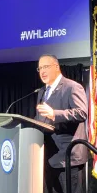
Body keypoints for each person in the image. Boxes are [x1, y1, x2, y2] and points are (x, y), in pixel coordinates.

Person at [35, 54, 88, 193]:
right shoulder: (42, 92)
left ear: (57, 67)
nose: (42, 71)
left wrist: (55, 114)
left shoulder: (72, 87)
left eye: (46, 66)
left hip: (68, 158)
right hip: (48, 156)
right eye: (39, 68)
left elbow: (81, 113)